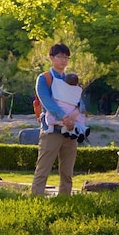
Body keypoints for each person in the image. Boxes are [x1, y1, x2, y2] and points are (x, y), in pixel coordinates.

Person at [31, 43, 81, 196]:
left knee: (67, 172)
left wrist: (72, 118)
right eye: (60, 57)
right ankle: (35, 199)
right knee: (43, 169)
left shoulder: (71, 79)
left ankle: (64, 199)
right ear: (51, 58)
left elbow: (79, 102)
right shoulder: (44, 78)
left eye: (66, 57)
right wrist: (63, 116)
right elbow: (46, 100)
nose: (63, 60)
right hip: (51, 130)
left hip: (70, 131)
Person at [52, 73, 89, 141]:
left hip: (64, 114)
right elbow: (81, 105)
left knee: (65, 124)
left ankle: (70, 132)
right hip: (74, 114)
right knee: (78, 122)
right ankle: (81, 131)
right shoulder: (77, 92)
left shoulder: (60, 91)